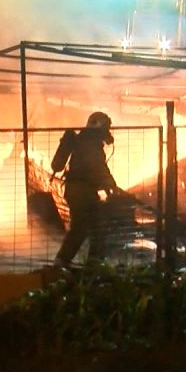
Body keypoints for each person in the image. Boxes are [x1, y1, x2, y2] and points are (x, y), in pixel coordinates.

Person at [52, 111, 123, 267]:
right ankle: (88, 264)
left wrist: (108, 184)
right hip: (81, 192)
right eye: (106, 127)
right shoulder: (91, 143)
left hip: (79, 191)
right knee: (90, 227)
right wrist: (110, 184)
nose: (107, 131)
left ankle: (69, 261)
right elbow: (98, 167)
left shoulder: (84, 140)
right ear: (100, 127)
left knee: (86, 226)